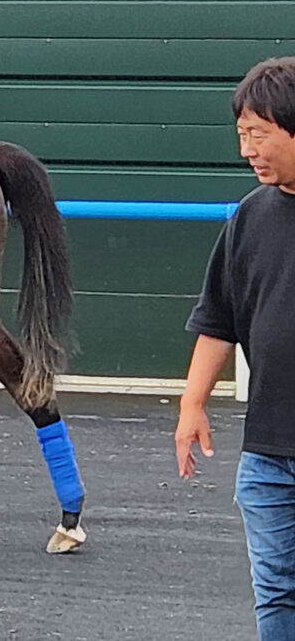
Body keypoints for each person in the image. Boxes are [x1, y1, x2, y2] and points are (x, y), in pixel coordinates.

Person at [176, 57, 295, 640]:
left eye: (259, 133)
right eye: (241, 134)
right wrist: (191, 402)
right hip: (268, 453)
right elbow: (218, 316)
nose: (247, 148)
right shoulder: (250, 216)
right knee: (276, 592)